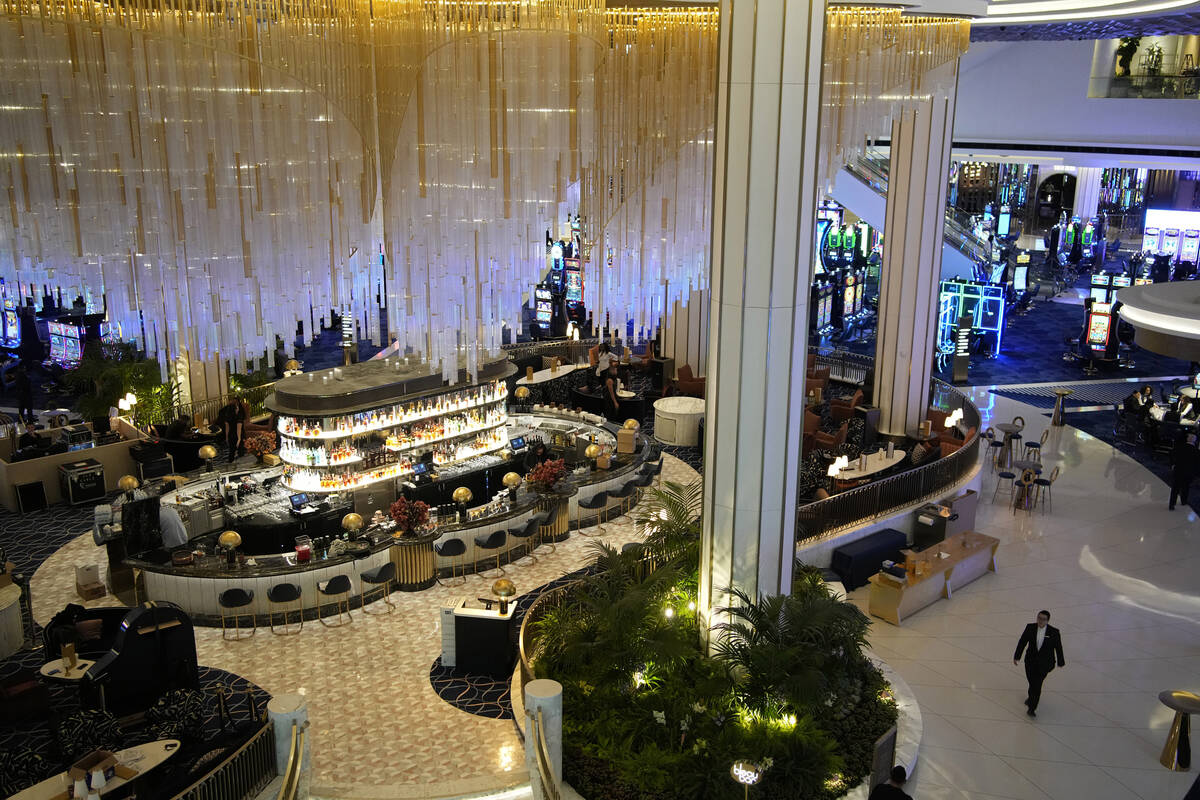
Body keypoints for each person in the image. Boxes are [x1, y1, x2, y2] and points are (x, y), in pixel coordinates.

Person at [1013, 609, 1065, 717]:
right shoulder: (1030, 628)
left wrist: (1061, 661)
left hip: (1044, 665)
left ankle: (1032, 708)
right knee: (1032, 682)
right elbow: (1022, 642)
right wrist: (1017, 656)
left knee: (1037, 685)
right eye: (1039, 618)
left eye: (1043, 619)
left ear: (1048, 620)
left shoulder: (1054, 632)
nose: (1041, 621)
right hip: (1030, 662)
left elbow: (1058, 647)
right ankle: (1031, 697)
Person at [1169, 432, 1197, 511]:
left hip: (1178, 470)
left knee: (1175, 488)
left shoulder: (1179, 447)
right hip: (1189, 473)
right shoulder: (1196, 451)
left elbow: (1171, 454)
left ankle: (1172, 504)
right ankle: (1183, 501)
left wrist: (1172, 464)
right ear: (1195, 441)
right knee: (1186, 487)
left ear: (1187, 439)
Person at [217, 397, 246, 463]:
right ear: (236, 409)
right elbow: (239, 428)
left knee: (231, 451)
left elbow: (227, 428)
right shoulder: (239, 417)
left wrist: (227, 437)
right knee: (241, 451)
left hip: (231, 435)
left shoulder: (227, 416)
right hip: (238, 435)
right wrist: (239, 439)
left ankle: (230, 463)